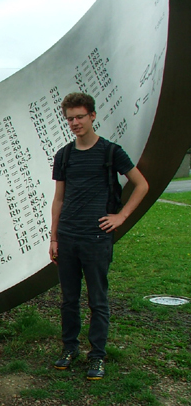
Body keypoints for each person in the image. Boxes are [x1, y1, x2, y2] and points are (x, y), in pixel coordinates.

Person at [50, 92, 149, 380]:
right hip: (67, 236)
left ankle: (97, 355)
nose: (75, 123)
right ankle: (70, 348)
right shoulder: (64, 155)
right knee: (69, 299)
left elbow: (141, 184)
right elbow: (58, 200)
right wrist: (53, 237)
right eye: (70, 119)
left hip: (96, 238)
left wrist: (121, 217)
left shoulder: (111, 152)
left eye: (80, 116)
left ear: (93, 115)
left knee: (98, 299)